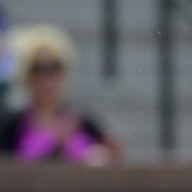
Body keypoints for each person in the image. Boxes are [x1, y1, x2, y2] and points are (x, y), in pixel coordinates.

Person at [0, 25, 120, 165]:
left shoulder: (85, 124)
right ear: (26, 75)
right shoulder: (11, 127)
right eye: (38, 69)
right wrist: (52, 144)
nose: (46, 79)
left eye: (55, 68)